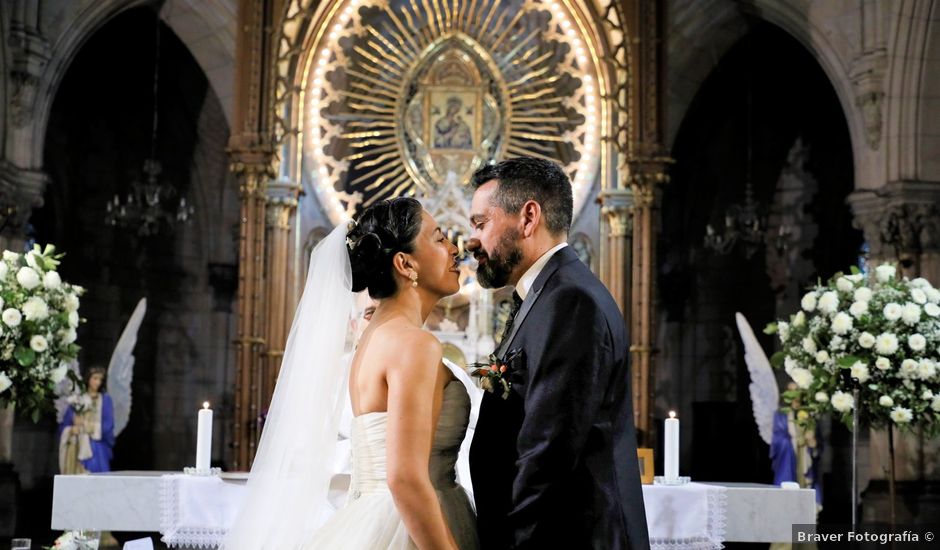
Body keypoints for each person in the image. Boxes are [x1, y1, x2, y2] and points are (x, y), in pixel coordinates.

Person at [223, 197, 480, 549]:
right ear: (405, 263)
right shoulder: (414, 344)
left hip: (372, 516)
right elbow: (405, 478)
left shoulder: (373, 338)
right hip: (413, 526)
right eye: (439, 239)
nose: (455, 249)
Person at [466, 157, 650, 549]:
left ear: (528, 217)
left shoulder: (570, 302)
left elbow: (549, 452)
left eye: (481, 223)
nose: (471, 241)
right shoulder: (546, 295)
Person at [58, 367, 115, 474]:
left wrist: (89, 427)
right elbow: (66, 423)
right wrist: (70, 430)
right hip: (78, 445)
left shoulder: (105, 400)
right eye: (95, 378)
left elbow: (108, 425)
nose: (98, 382)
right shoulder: (78, 400)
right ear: (88, 379)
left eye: (100, 379)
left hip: (96, 447)